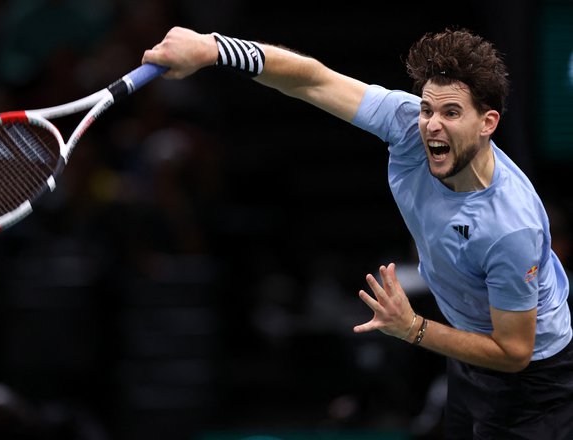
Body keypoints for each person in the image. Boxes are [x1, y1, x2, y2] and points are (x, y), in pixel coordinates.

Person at [141, 26, 573, 439]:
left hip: (533, 385)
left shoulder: (508, 227)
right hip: (469, 347)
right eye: (427, 108)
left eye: (451, 113)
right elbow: (312, 80)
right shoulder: (407, 127)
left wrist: (413, 329)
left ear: (488, 123)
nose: (432, 125)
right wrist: (214, 48)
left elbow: (514, 353)